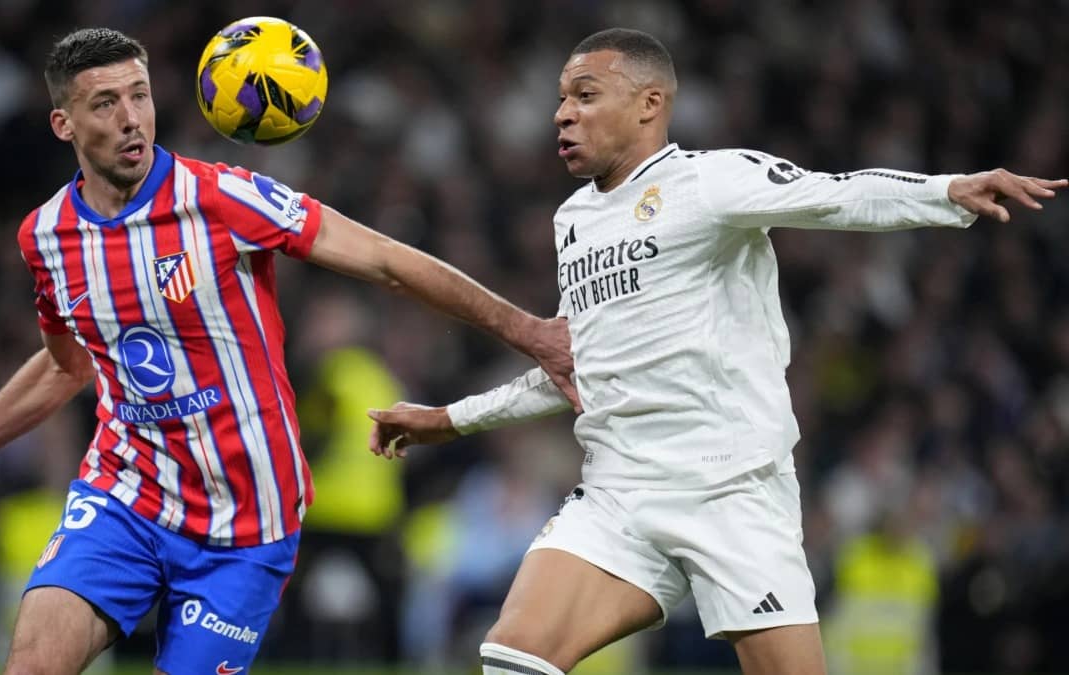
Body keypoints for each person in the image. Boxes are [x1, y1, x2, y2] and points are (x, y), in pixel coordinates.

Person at [0, 27, 577, 675]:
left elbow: (387, 260)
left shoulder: (222, 199)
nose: (130, 118)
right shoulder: (47, 237)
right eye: (106, 102)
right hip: (128, 493)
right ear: (64, 124)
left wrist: (531, 332)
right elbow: (69, 362)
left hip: (247, 519)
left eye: (140, 96)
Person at [366, 27, 1065, 675]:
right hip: (619, 493)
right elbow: (577, 366)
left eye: (584, 95)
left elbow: (836, 197)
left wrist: (949, 191)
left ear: (649, 104)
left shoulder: (709, 181)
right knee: (510, 658)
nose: (562, 115)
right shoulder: (573, 220)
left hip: (730, 489)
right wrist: (448, 418)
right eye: (559, 100)